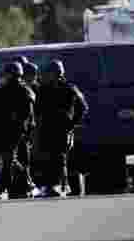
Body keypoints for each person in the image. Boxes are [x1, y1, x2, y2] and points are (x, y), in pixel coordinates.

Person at [35, 59, 88, 197]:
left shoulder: (69, 88)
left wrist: (71, 124)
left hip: (62, 129)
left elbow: (82, 108)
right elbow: (36, 110)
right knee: (48, 158)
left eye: (51, 73)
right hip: (46, 129)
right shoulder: (43, 89)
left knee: (59, 158)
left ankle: (61, 186)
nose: (49, 75)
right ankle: (52, 186)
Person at [0, 62, 36, 198]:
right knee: (12, 160)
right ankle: (22, 184)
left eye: (6, 74)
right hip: (20, 132)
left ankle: (12, 185)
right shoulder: (25, 90)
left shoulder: (9, 90)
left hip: (12, 132)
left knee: (9, 160)